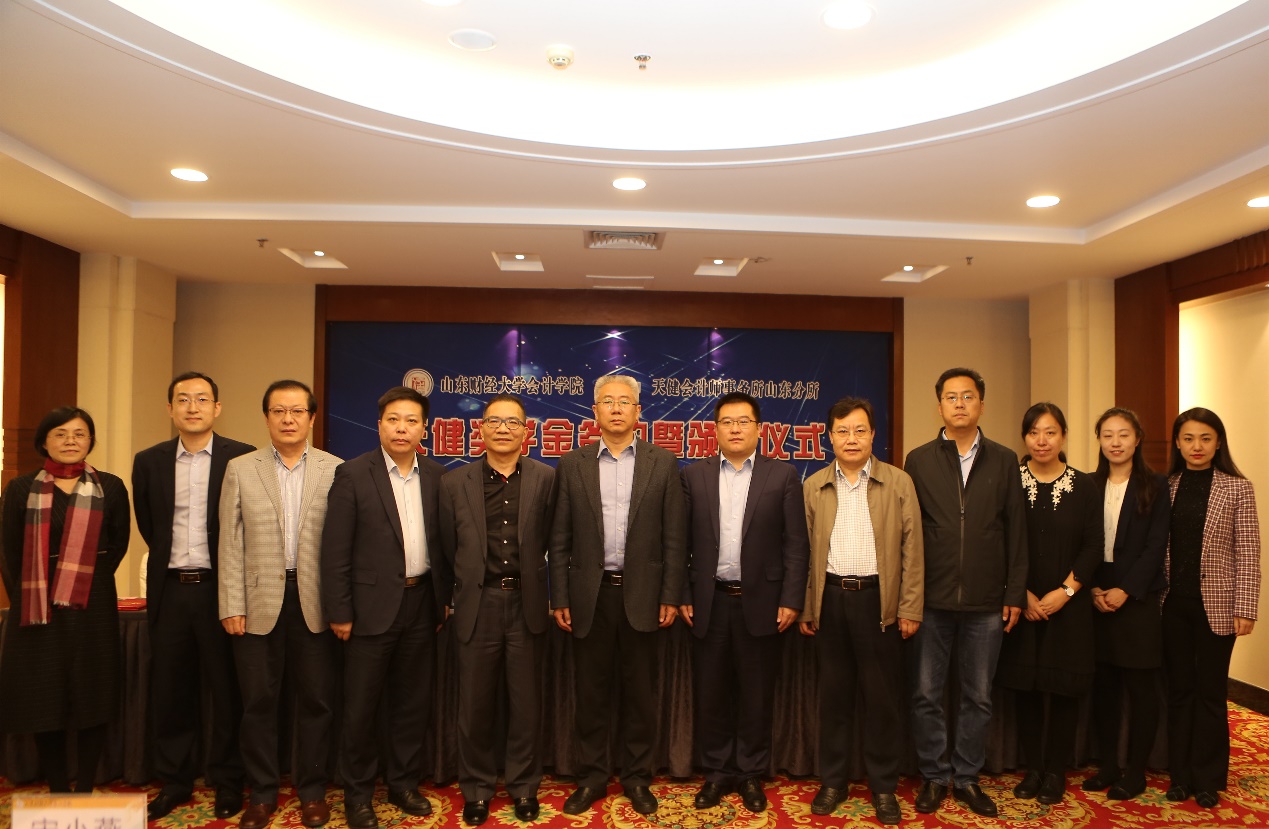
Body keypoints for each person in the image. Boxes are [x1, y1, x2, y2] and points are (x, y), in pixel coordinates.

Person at [549, 374, 687, 816]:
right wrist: (560, 596)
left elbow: (674, 538)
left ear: (638, 411)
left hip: (643, 594)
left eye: (623, 401)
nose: (615, 408)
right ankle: (591, 777)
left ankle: (637, 777)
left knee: (640, 694)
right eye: (606, 401)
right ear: (594, 412)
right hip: (589, 596)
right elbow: (559, 538)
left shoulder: (662, 463)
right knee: (590, 694)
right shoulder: (572, 464)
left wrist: (670, 594)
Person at [321, 386, 448, 829]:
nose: (401, 428)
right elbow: (335, 550)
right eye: (393, 419)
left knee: (412, 703)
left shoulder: (438, 476)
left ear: (424, 428)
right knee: (361, 706)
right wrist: (339, 610)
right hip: (368, 609)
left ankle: (403, 783)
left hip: (422, 603)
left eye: (411, 421)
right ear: (379, 425)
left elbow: (445, 546)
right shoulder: (354, 474)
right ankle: (357, 794)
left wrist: (443, 601)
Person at [903, 367, 1027, 818]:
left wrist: (1014, 593)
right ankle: (935, 776)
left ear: (981, 405)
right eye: (951, 397)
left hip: (986, 603)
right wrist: (908, 597)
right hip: (931, 600)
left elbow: (1016, 532)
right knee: (926, 694)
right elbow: (909, 533)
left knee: (978, 696)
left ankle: (968, 777)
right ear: (939, 406)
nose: (959, 404)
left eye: (968, 396)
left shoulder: (1004, 459)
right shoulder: (918, 460)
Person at [219, 381, 342, 829]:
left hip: (315, 602)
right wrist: (231, 603)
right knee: (257, 702)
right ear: (266, 417)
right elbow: (229, 541)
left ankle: (313, 791)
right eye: (278, 411)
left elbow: (342, 544)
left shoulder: (335, 468)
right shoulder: (241, 468)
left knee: (317, 702)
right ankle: (262, 793)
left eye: (297, 411)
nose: (288, 419)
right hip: (256, 602)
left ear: (311, 418)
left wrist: (341, 605)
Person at [680, 392, 808, 815]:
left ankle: (751, 773)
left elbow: (796, 544)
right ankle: (717, 772)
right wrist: (682, 594)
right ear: (715, 429)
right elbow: (679, 541)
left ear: (758, 428)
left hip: (764, 603)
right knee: (712, 693)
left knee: (756, 695)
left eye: (743, 421)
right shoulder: (694, 475)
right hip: (710, 601)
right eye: (727, 422)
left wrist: (791, 598)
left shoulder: (782, 475)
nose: (735, 429)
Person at [133, 372, 255, 819]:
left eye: (202, 399)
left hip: (220, 590)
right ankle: (175, 780)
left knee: (227, 689)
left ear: (217, 408)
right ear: (170, 409)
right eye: (183, 399)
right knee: (171, 690)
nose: (192, 407)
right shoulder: (149, 461)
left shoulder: (241, 457)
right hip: (170, 590)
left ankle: (228, 780)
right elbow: (149, 525)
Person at [798, 396, 922, 826]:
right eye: (842, 431)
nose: (851, 439)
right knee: (833, 697)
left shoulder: (898, 482)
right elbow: (805, 554)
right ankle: (833, 781)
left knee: (882, 700)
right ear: (830, 437)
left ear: (873, 435)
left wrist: (909, 606)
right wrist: (808, 607)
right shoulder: (814, 486)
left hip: (878, 603)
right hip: (831, 600)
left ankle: (884, 787)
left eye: (859, 430)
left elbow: (913, 551)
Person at [0, 407, 130, 792]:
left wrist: (85, 576)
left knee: (94, 692)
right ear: (44, 441)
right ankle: (57, 786)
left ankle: (86, 785)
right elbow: (8, 552)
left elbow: (118, 544)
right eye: (60, 433)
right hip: (37, 606)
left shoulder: (110, 487)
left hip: (94, 601)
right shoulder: (21, 488)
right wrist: (31, 594)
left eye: (79, 433)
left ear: (90, 441)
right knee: (43, 697)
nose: (70, 441)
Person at [439, 394, 556, 825]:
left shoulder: (546, 478)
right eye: (494, 421)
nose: (503, 429)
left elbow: (555, 540)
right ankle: (477, 789)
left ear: (527, 431)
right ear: (481, 428)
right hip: (478, 603)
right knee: (475, 705)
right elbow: (447, 546)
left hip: (527, 603)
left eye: (513, 422)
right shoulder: (455, 483)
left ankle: (524, 788)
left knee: (526, 706)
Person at [997, 403, 1101, 805]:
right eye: (1034, 432)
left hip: (1068, 607)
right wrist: (1020, 593)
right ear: (1024, 437)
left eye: (1050, 432)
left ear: (1063, 436)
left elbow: (1093, 546)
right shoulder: (1009, 481)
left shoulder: (1084, 486)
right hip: (1020, 604)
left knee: (1062, 690)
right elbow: (999, 539)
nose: (1042, 441)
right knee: (1025, 689)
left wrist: (1066, 592)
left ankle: (1056, 770)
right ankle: (1033, 769)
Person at [1162, 407, 1261, 809]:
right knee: (1179, 690)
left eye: (1205, 438)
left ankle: (1207, 778)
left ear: (1218, 442)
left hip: (1218, 606)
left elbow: (1249, 552)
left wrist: (1246, 607)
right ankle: (1180, 776)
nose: (1197, 446)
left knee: (1210, 692)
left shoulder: (1237, 488)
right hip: (1171, 605)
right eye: (1188, 438)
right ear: (1177, 443)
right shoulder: (1166, 486)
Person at [1083, 407, 1168, 801]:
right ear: (1099, 440)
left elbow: (1156, 546)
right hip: (1097, 595)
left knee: (1140, 688)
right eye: (1107, 435)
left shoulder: (1156, 485)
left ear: (1138, 439)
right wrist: (1093, 588)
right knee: (1104, 686)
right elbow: (1083, 541)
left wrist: (1127, 590)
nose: (1115, 443)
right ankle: (1108, 766)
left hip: (1138, 599)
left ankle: (1135, 772)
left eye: (1123, 435)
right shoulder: (1089, 484)